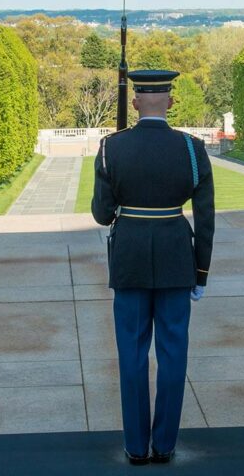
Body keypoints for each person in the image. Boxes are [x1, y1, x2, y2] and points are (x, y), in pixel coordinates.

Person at [91, 69, 215, 465]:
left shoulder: (112, 147)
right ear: (171, 102)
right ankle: (164, 445)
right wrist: (201, 273)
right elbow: (206, 217)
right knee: (173, 353)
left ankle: (135, 446)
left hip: (129, 257)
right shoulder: (193, 150)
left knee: (131, 353)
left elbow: (101, 213)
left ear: (136, 102)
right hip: (178, 258)